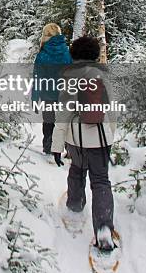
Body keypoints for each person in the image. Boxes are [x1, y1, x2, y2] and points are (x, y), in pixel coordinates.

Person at [51, 35, 116, 251]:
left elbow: (63, 116)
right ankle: (104, 229)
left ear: (74, 54)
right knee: (101, 181)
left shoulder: (70, 77)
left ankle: (75, 207)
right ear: (96, 55)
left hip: (76, 139)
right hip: (101, 138)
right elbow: (112, 110)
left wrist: (57, 147)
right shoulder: (103, 75)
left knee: (77, 171)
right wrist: (110, 138)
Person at [31, 23, 72, 154]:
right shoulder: (67, 52)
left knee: (49, 121)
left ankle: (48, 145)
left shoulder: (43, 55)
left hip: (47, 94)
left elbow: (38, 78)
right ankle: (67, 147)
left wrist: (35, 98)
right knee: (64, 122)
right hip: (64, 94)